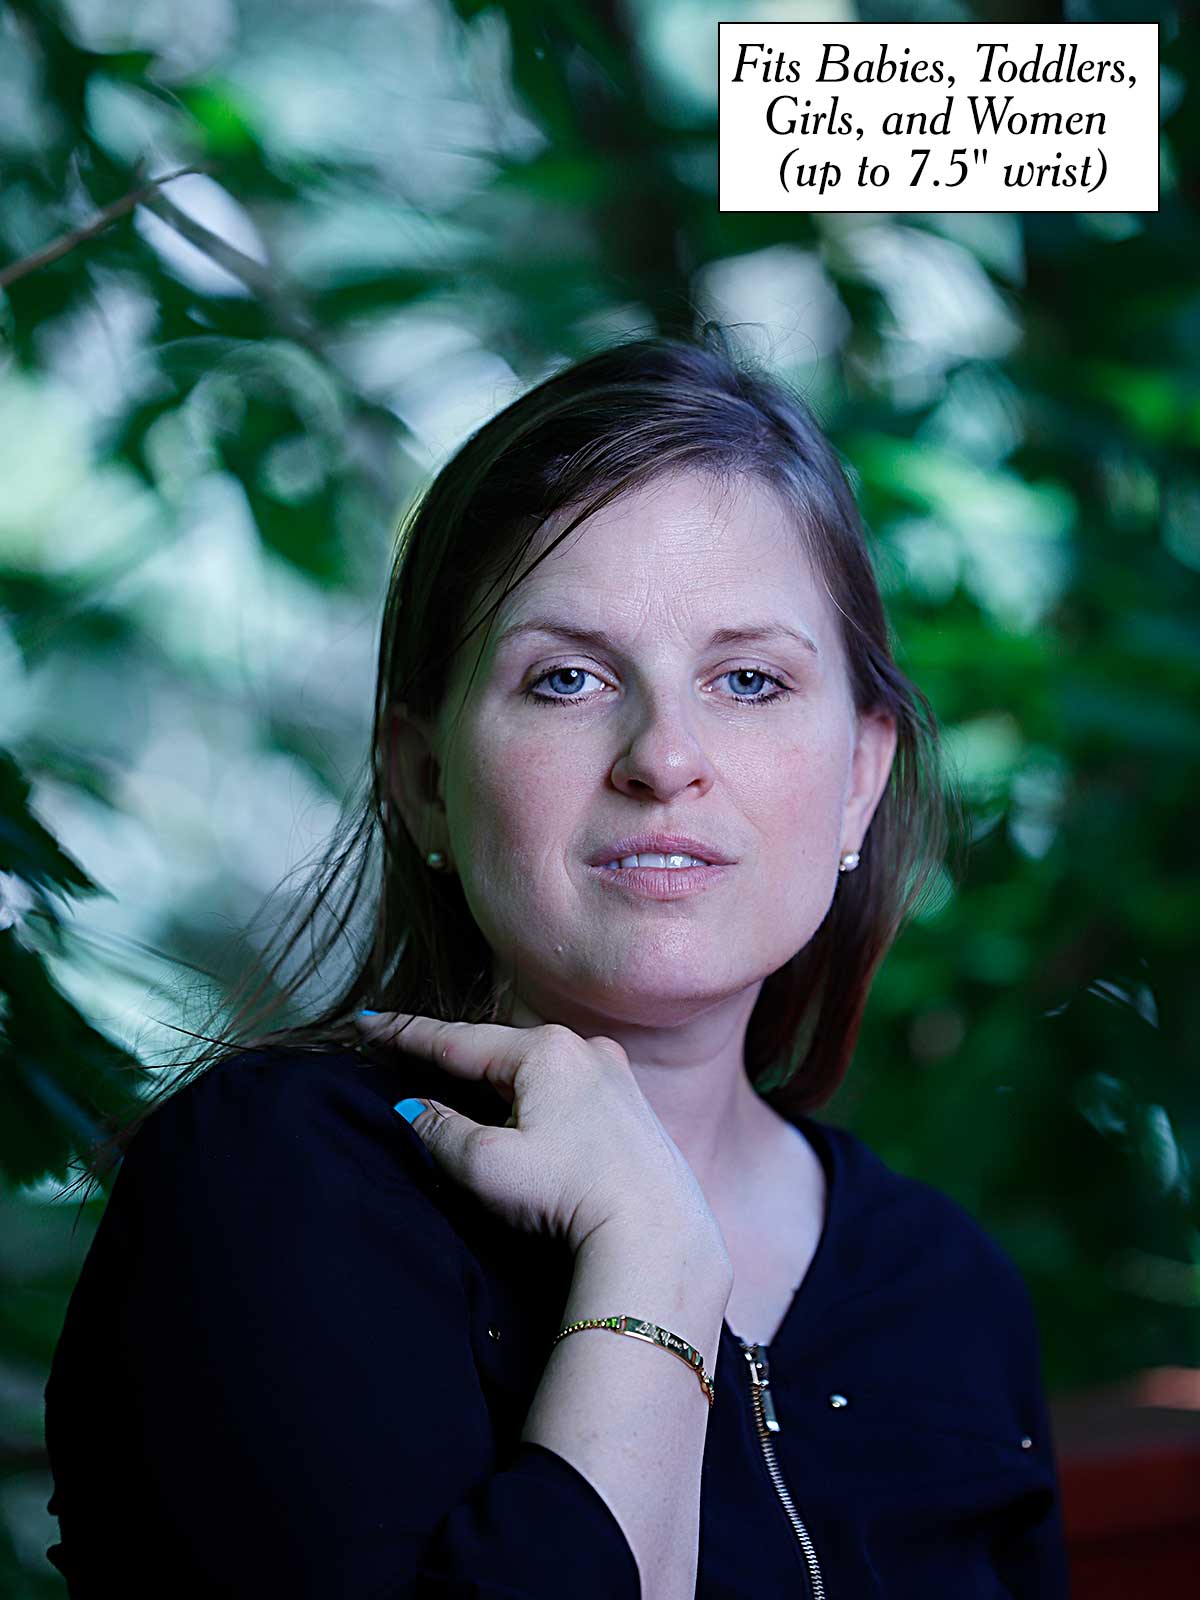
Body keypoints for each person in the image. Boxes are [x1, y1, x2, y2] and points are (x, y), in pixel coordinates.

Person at [43, 327, 1069, 1598]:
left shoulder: (947, 1290)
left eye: (748, 679)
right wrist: (654, 1272)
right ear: (422, 781)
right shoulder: (274, 1182)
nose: (665, 756)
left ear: (861, 779)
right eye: (568, 678)